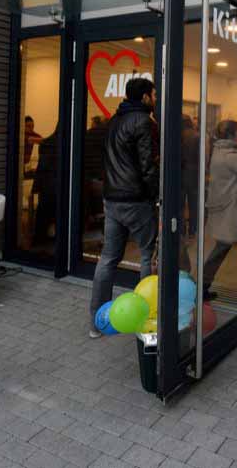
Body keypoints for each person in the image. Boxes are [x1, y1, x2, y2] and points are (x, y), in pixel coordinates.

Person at [89, 77, 160, 338]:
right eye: (153, 94)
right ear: (145, 97)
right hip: (136, 200)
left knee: (108, 258)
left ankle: (97, 322)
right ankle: (146, 319)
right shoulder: (144, 122)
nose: (155, 99)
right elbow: (147, 164)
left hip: (112, 199)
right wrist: (156, 195)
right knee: (148, 256)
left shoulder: (114, 121)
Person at [201, 120, 237, 301]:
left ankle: (203, 286)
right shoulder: (231, 156)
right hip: (232, 211)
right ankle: (202, 286)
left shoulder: (219, 151)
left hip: (226, 208)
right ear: (231, 135)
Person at [181, 114, 201, 236]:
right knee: (194, 204)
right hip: (194, 173)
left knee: (180, 205)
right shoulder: (197, 136)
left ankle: (181, 229)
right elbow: (201, 157)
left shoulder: (178, 135)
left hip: (181, 173)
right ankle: (193, 230)